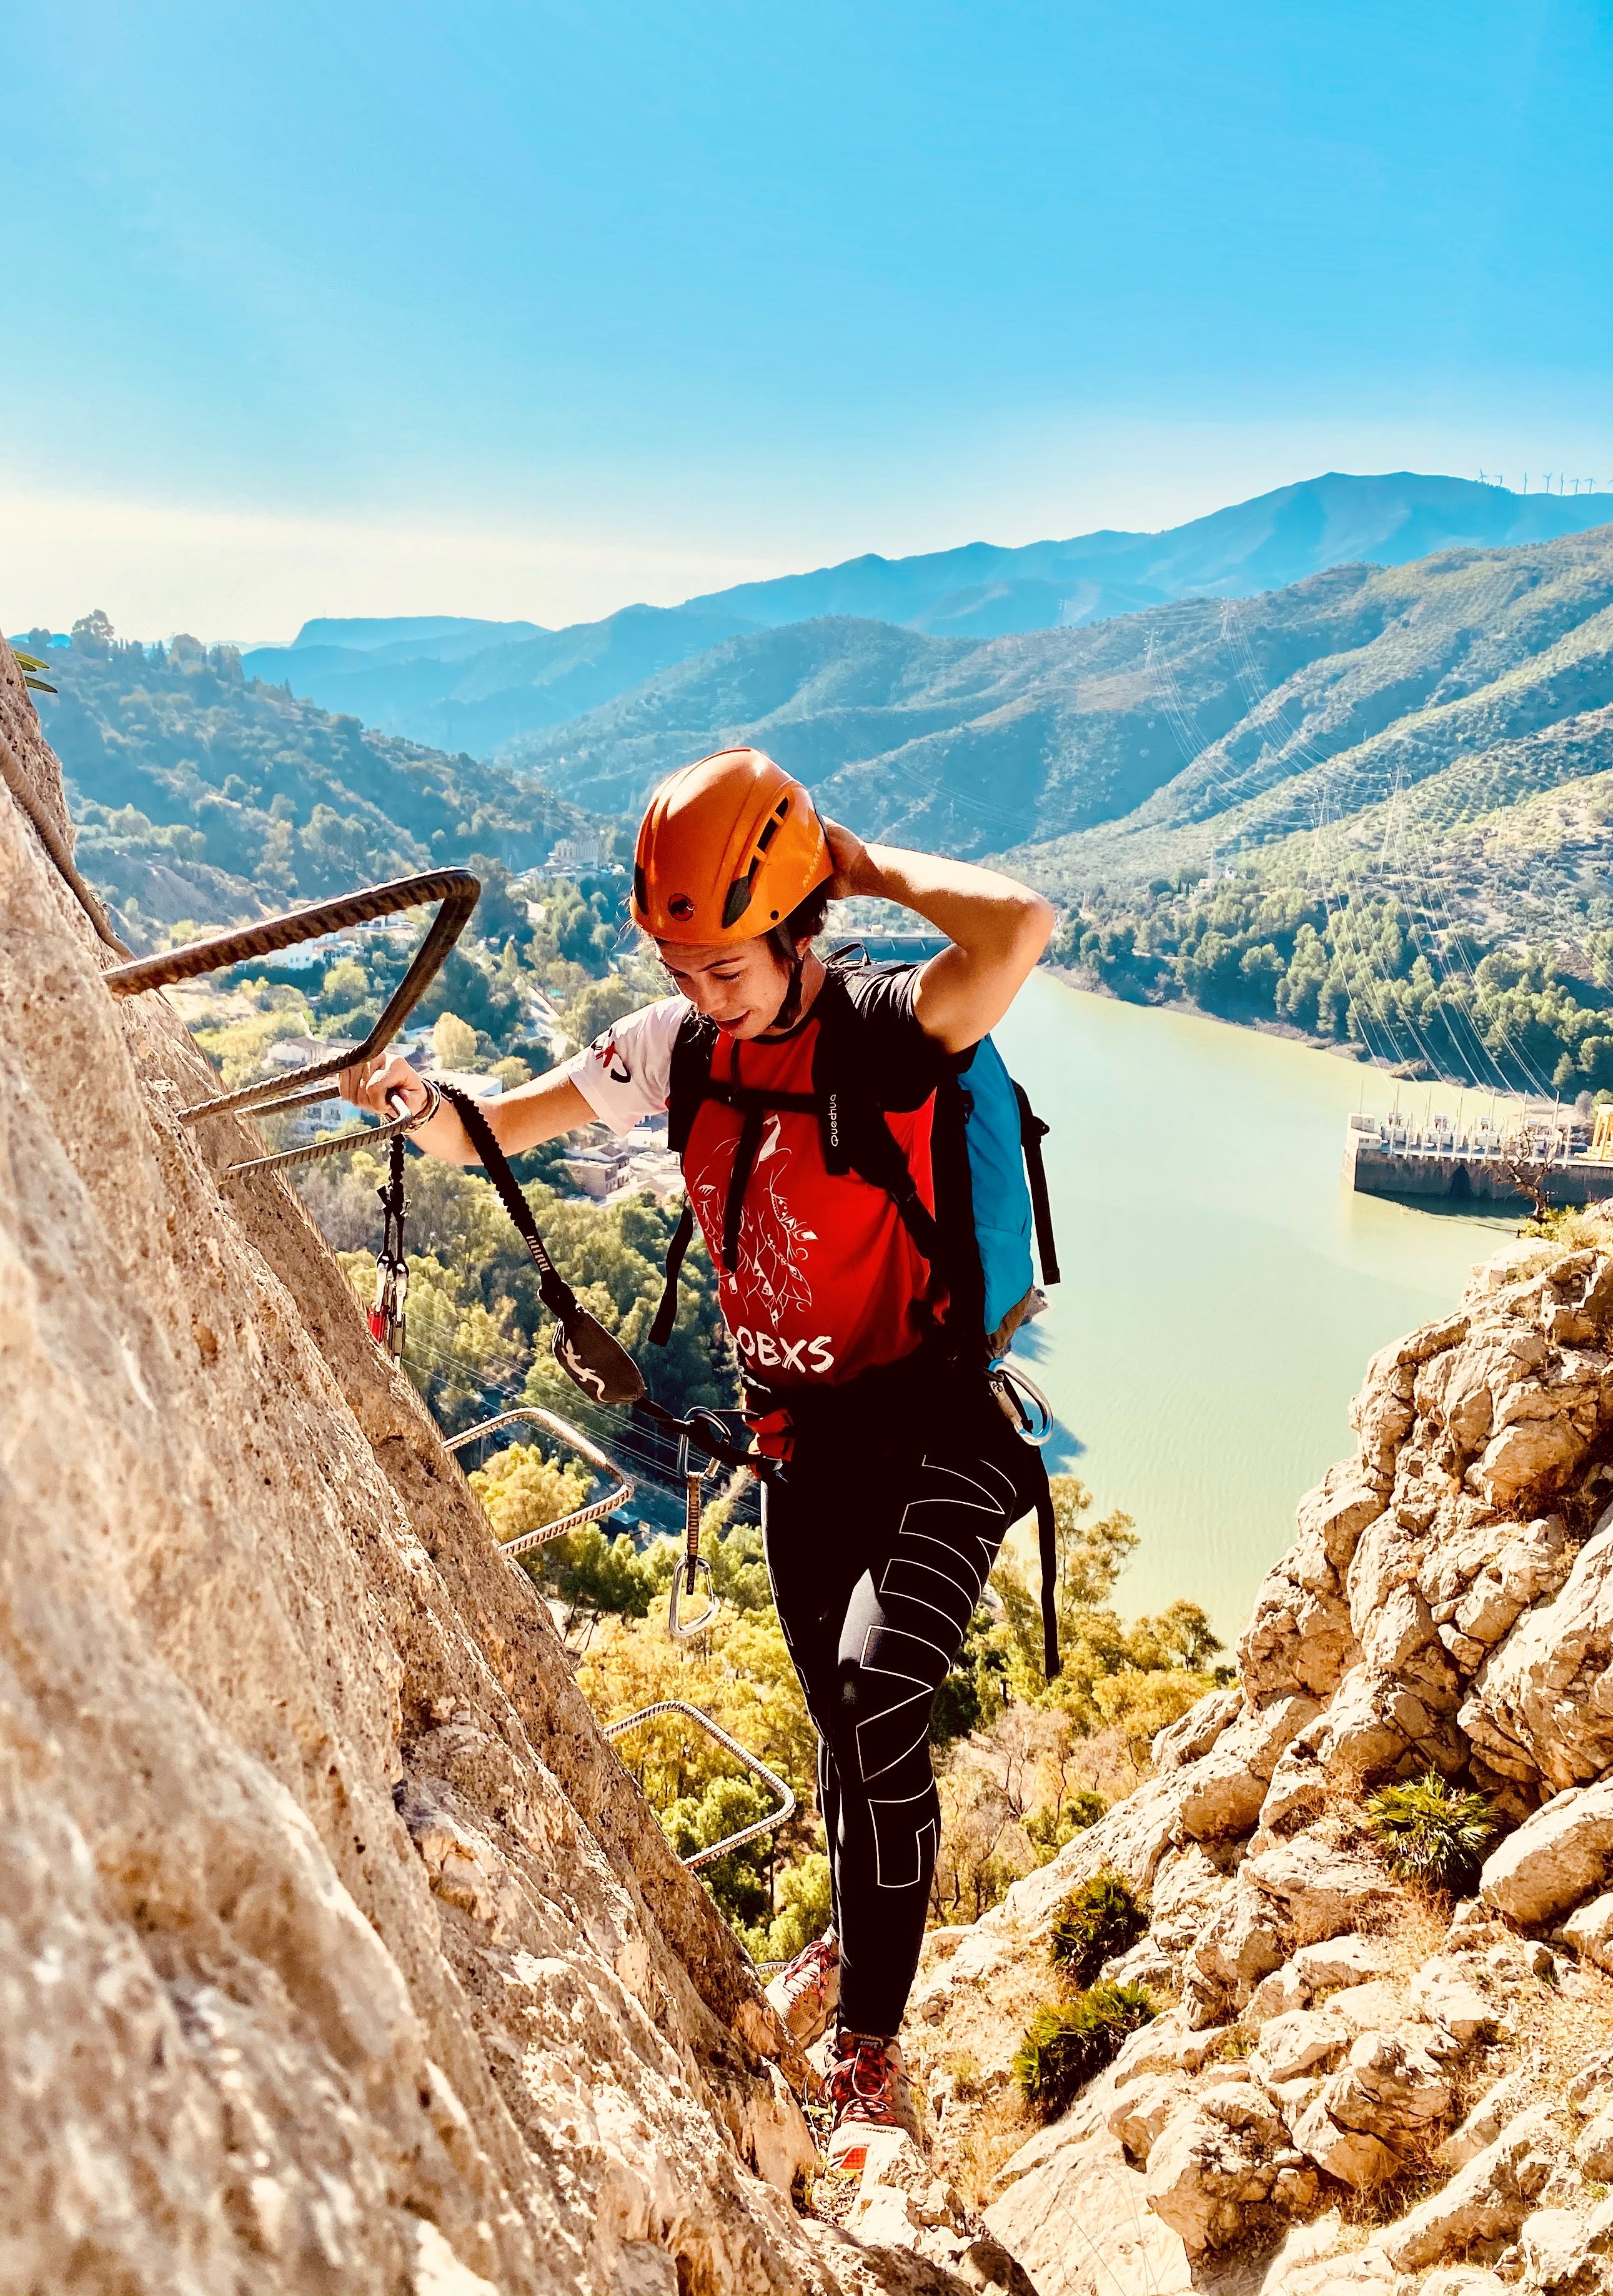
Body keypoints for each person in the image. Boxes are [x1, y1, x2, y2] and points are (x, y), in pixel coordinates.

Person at [342, 747, 1055, 2167]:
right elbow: (517, 1125)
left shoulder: (892, 1029)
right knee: (842, 1741)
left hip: (941, 1427)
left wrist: (855, 860)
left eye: (724, 963)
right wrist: (416, 1102)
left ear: (796, 924)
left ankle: (870, 2056)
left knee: (873, 1694)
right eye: (679, 964)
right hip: (799, 1446)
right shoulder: (679, 1049)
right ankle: (855, 1948)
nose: (699, 991)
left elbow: (1019, 928)